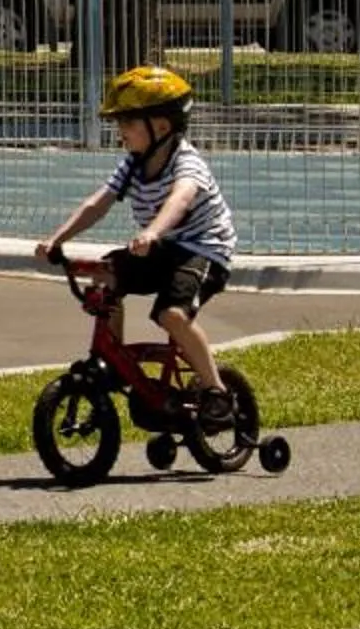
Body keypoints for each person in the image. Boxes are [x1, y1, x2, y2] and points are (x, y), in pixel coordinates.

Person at [35, 66, 239, 430]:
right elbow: (98, 202)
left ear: (160, 127)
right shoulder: (133, 164)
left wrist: (153, 232)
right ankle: (113, 361)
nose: (120, 133)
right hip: (160, 249)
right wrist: (57, 239)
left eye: (127, 124)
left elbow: (179, 200)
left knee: (172, 316)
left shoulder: (186, 162)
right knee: (103, 275)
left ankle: (216, 391)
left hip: (203, 250)